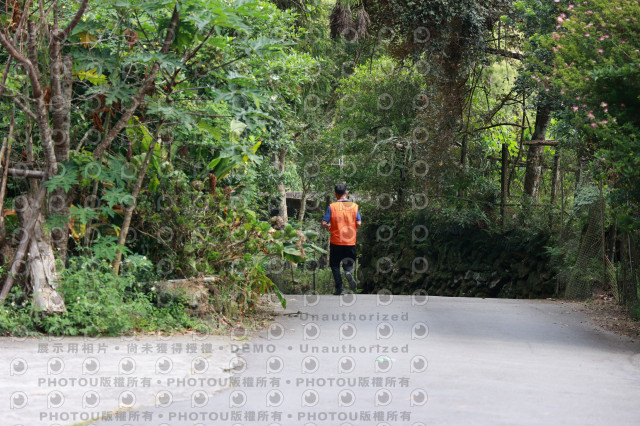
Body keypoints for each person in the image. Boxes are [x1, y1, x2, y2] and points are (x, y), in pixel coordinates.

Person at [321, 184, 361, 295]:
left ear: (335, 194)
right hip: (350, 241)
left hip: (336, 241)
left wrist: (328, 226)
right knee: (348, 263)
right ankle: (348, 272)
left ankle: (339, 289)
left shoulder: (332, 207)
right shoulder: (354, 206)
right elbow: (358, 222)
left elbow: (324, 222)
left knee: (335, 265)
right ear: (346, 192)